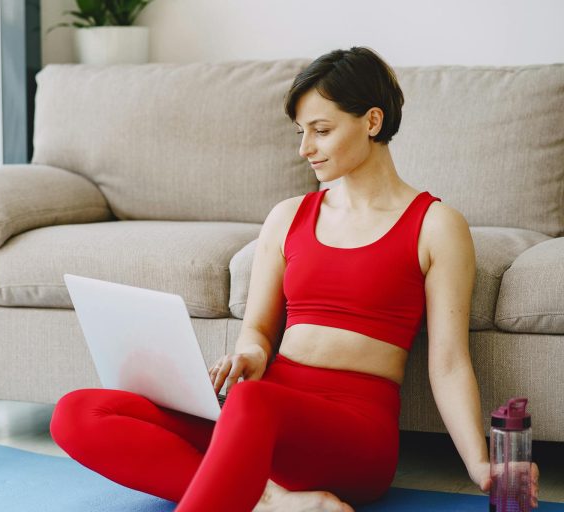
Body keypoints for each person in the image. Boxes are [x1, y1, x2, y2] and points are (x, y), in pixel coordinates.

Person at [50, 46, 540, 511]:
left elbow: (449, 363)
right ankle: (269, 500)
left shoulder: (435, 225)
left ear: (373, 121)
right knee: (77, 411)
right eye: (300, 132)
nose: (305, 148)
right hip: (262, 415)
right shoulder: (287, 216)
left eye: (321, 130)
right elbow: (259, 332)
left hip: (353, 433)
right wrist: (249, 355)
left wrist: (480, 464)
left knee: (251, 403)